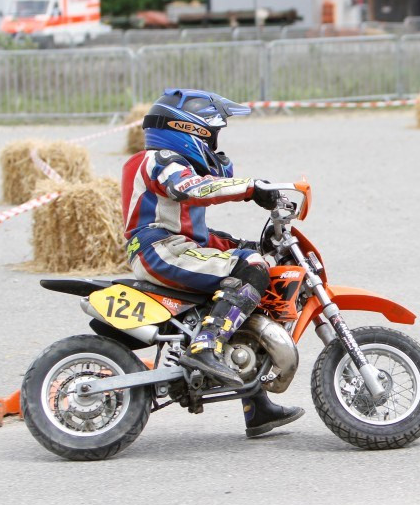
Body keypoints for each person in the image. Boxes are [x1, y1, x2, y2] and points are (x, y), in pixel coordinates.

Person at [122, 88, 304, 438]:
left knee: (248, 277)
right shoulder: (161, 161)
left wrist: (248, 245)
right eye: (214, 135)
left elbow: (201, 239)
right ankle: (205, 347)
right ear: (192, 131)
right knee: (250, 268)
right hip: (159, 249)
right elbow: (195, 188)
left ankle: (257, 407)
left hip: (172, 248)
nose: (217, 147)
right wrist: (250, 188)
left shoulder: (172, 167)